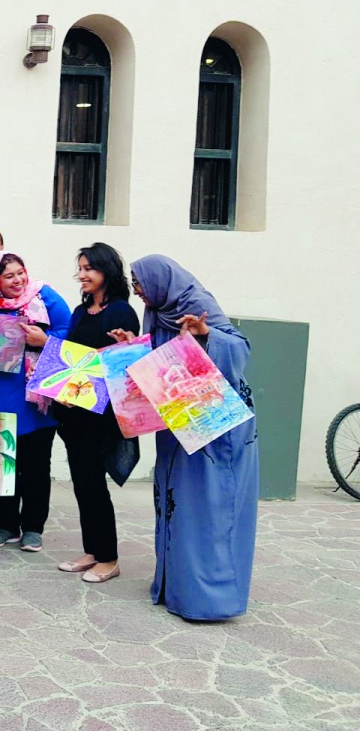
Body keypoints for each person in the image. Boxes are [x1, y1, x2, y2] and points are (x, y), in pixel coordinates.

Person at [123, 255, 258, 621]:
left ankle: (211, 599)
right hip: (181, 421)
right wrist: (132, 346)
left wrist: (207, 334)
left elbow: (241, 349)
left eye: (139, 282)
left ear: (160, 280)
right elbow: (160, 359)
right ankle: (176, 588)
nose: (136, 289)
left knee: (209, 509)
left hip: (215, 430)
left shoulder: (195, 304)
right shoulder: (157, 311)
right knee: (177, 503)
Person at [0, 251, 71, 553]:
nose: (18, 280)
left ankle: (33, 527)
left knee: (37, 465)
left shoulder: (46, 297)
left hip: (36, 397)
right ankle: (6, 524)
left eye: (20, 273)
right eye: (9, 276)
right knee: (2, 462)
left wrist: (44, 339)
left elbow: (70, 332)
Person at [51, 243, 140, 583]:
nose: (82, 275)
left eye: (89, 268)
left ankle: (109, 558)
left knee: (94, 486)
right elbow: (71, 358)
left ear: (106, 271)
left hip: (100, 414)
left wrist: (125, 345)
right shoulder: (79, 311)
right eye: (80, 268)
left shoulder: (120, 312)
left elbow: (122, 367)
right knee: (82, 484)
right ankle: (93, 550)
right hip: (73, 412)